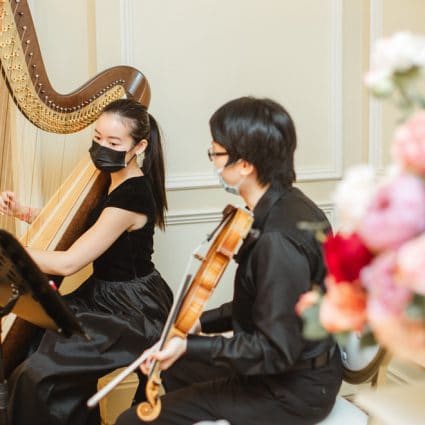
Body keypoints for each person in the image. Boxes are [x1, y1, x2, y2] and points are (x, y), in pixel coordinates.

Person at [116, 97, 343, 425]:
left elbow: (274, 351)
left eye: (217, 153)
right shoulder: (293, 204)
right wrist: (200, 324)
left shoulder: (276, 240)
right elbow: (270, 306)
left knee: (131, 421)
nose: (214, 162)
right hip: (295, 370)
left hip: (291, 390)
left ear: (245, 165)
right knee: (172, 365)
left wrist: (190, 347)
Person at [0, 98, 173, 425]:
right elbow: (89, 226)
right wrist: (22, 212)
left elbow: (68, 263)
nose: (101, 148)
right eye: (96, 139)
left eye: (113, 142)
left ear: (139, 146)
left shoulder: (131, 197)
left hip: (131, 308)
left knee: (36, 374)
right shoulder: (114, 179)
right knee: (30, 336)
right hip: (103, 297)